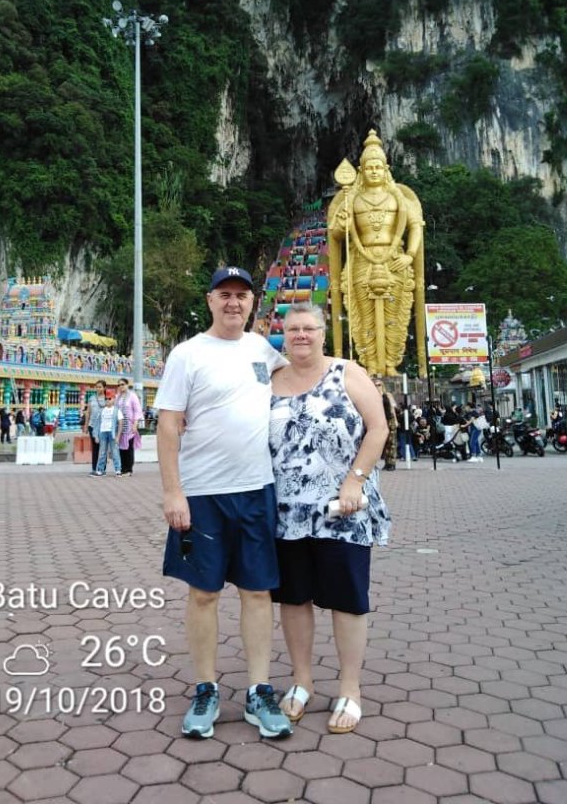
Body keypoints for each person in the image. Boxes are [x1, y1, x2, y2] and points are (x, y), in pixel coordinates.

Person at [155, 266, 293, 741]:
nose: (234, 302)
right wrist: (173, 492)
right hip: (201, 496)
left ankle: (259, 689)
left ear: (253, 303)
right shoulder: (187, 354)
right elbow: (169, 425)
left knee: (258, 592)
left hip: (257, 490)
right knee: (204, 593)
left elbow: (301, 372)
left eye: (242, 295)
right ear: (209, 300)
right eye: (225, 294)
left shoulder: (262, 350)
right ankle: (206, 688)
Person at [269, 302, 390, 734]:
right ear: (282, 334)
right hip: (287, 511)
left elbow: (378, 428)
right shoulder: (269, 381)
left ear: (323, 332)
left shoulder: (346, 372)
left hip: (345, 507)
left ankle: (350, 688)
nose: (301, 335)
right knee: (293, 597)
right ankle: (302, 683)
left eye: (309, 328)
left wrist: (355, 480)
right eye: (293, 329)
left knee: (346, 597)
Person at [328, 129, 426, 377]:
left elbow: (415, 227)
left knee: (395, 314)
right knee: (363, 314)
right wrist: (342, 224)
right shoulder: (351, 199)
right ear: (361, 170)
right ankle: (370, 363)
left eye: (378, 167)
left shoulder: (399, 198)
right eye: (369, 167)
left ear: (386, 169)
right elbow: (338, 235)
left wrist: (409, 255)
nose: (373, 171)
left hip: (394, 260)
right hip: (362, 260)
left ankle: (391, 363)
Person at [116, 378, 143, 476]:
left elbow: (137, 410)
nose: (120, 386)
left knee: (129, 448)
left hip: (130, 426)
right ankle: (123, 468)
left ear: (127, 385)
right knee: (121, 448)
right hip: (120, 427)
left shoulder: (132, 396)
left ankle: (129, 469)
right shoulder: (118, 397)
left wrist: (135, 424)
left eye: (122, 384)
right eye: (119, 385)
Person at [93, 390, 121, 476]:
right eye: (106, 399)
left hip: (112, 433)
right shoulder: (101, 411)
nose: (108, 400)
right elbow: (97, 424)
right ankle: (100, 470)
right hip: (102, 433)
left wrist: (118, 436)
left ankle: (118, 470)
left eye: (110, 398)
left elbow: (120, 424)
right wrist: (96, 436)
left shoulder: (117, 411)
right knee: (102, 452)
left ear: (114, 399)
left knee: (115, 452)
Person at [83, 380, 106, 473]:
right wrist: (86, 425)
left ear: (104, 388)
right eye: (97, 387)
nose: (98, 388)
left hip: (104, 426)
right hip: (92, 425)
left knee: (103, 447)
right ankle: (94, 468)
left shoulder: (108, 398)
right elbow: (88, 412)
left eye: (100, 387)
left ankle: (102, 469)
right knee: (95, 447)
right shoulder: (92, 398)